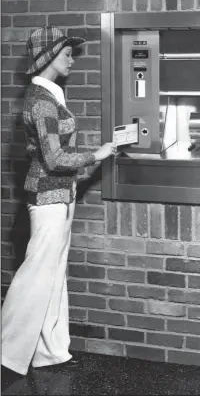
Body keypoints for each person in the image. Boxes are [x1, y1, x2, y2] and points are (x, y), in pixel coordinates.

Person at [1, 26, 116, 376]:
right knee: (36, 275)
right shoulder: (41, 101)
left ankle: (50, 352)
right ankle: (6, 355)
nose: (72, 61)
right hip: (48, 198)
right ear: (50, 56)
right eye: (67, 54)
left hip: (60, 196)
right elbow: (52, 158)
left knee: (52, 274)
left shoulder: (51, 96)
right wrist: (95, 155)